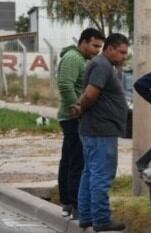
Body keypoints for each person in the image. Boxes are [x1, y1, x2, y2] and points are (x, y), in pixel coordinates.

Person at [73, 33, 129, 232]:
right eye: (121, 52)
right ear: (110, 48)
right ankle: (101, 218)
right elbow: (90, 94)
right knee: (101, 175)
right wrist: (83, 108)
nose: (124, 56)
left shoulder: (102, 65)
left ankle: (87, 216)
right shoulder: (102, 66)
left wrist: (82, 109)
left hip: (96, 129)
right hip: (101, 130)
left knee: (90, 173)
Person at [56, 28, 105, 219]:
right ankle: (75, 203)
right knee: (77, 161)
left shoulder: (81, 59)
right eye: (94, 45)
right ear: (83, 42)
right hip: (72, 118)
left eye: (100, 47)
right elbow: (65, 85)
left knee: (70, 159)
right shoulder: (73, 58)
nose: (97, 50)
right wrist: (78, 108)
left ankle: (68, 201)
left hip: (72, 117)